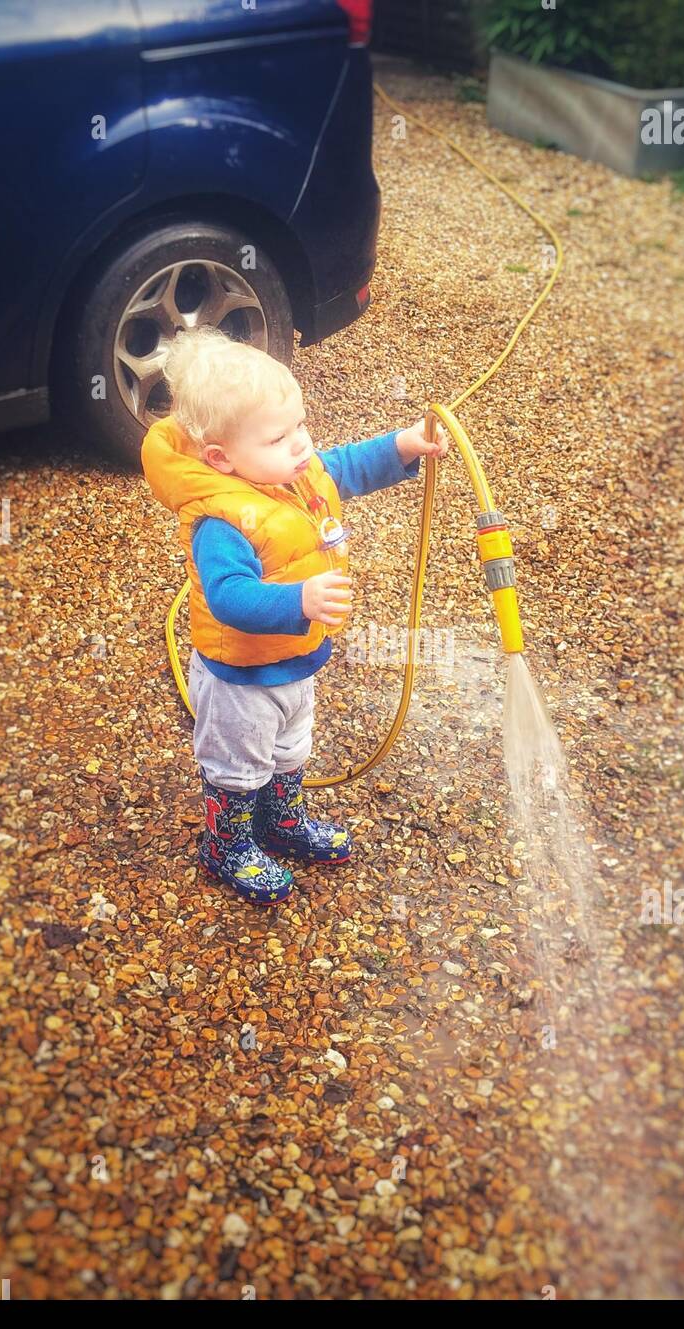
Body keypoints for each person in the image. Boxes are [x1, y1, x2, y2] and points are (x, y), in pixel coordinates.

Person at [141, 326, 448, 905]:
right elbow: (230, 598)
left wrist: (402, 446)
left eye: (300, 425)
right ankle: (226, 845)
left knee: (290, 747)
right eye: (280, 437)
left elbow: (347, 468)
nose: (301, 444)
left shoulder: (290, 473)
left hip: (297, 659)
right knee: (238, 763)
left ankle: (280, 822)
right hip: (240, 678)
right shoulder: (222, 521)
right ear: (220, 459)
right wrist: (297, 602)